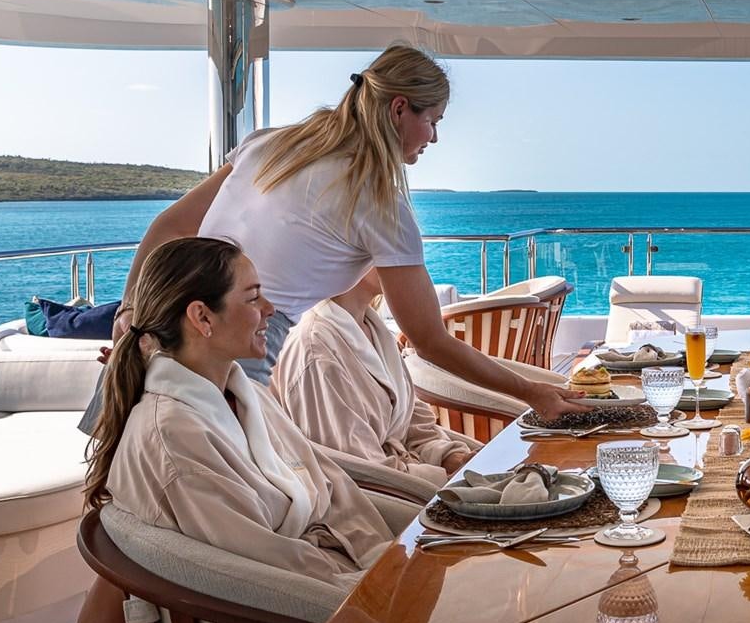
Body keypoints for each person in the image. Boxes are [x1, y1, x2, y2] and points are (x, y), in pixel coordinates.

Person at [93, 44, 582, 417]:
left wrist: (133, 309)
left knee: (129, 465)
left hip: (161, 324)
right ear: (399, 110)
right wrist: (533, 394)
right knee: (222, 495)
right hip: (236, 346)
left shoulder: (272, 144)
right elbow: (430, 339)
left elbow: (170, 225)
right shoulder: (378, 201)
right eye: (432, 120)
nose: (434, 136)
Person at [74, 239, 395, 623]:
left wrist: (395, 560)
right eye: (253, 297)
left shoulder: (246, 397)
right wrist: (389, 596)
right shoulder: (175, 439)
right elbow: (260, 570)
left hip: (327, 600)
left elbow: (331, 487)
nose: (270, 310)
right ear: (202, 317)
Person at [271, 269, 478, 484]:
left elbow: (413, 423)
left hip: (408, 481)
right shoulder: (317, 352)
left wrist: (451, 458)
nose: (404, 258)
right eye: (390, 245)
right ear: (348, 253)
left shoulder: (376, 331)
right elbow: (360, 471)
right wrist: (443, 479)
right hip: (379, 501)